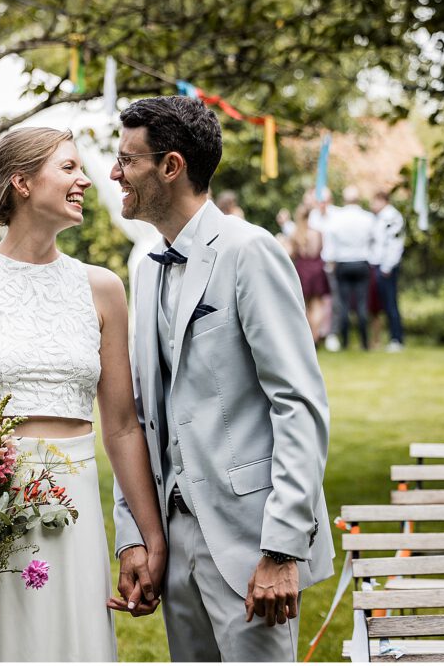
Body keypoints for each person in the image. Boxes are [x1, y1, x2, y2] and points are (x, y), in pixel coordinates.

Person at [0, 127, 166, 661]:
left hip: (73, 507)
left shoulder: (103, 288)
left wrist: (148, 537)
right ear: (22, 182)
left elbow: (123, 427)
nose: (86, 181)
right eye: (69, 168)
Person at [108, 96, 334, 662]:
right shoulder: (147, 268)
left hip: (251, 540)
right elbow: (139, 414)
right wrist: (133, 535)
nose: (114, 173)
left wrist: (282, 547)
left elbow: (298, 403)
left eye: (127, 160)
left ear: (171, 166)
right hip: (174, 539)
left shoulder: (249, 250)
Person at [322, 185, 375, 351]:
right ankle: (364, 342)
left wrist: (329, 262)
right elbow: (374, 240)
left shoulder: (337, 218)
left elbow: (330, 243)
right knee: (361, 303)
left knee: (343, 304)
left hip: (343, 263)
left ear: (344, 200)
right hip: (362, 262)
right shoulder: (368, 218)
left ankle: (345, 342)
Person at [286, 203, 330, 343]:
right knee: (317, 305)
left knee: (305, 305)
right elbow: (321, 249)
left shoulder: (296, 234)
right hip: (317, 268)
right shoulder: (317, 233)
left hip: (303, 269)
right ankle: (315, 337)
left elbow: (291, 253)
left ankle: (308, 339)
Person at [369, 190, 406, 352]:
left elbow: (395, 244)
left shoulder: (392, 217)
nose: (372, 205)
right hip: (377, 265)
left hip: (386, 267)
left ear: (382, 200)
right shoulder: (377, 218)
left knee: (391, 303)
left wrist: (387, 266)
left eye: (374, 201)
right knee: (380, 304)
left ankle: (396, 339)